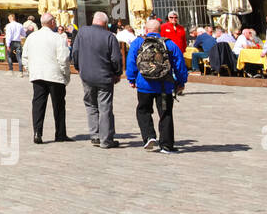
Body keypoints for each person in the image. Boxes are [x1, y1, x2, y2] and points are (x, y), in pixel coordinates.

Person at [127, 16, 187, 153]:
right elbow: (179, 64)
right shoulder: (169, 44)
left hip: (144, 85)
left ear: (146, 30)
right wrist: (181, 82)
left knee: (143, 110)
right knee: (165, 113)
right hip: (164, 86)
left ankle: (149, 136)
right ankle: (166, 145)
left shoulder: (138, 43)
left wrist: (131, 79)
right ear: (160, 30)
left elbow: (131, 62)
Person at [71, 11, 124, 148]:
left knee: (90, 104)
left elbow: (75, 52)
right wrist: (117, 73)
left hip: (86, 75)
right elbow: (116, 59)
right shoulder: (109, 36)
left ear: (93, 20)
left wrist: (78, 67)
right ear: (105, 23)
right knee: (105, 107)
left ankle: (95, 135)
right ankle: (105, 139)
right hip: (104, 77)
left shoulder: (82, 32)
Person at [24, 12, 72, 144]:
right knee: (59, 105)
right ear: (51, 23)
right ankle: (60, 133)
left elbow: (25, 57)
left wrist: (30, 71)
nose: (56, 24)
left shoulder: (32, 37)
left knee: (38, 104)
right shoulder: (57, 38)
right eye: (55, 21)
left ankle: (37, 133)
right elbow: (64, 59)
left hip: (37, 75)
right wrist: (65, 75)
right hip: (54, 75)